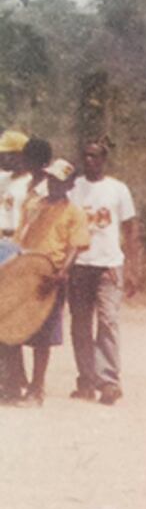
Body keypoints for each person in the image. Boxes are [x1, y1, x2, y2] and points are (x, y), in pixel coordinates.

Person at [0, 158, 89, 406]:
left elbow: (76, 245)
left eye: (59, 180)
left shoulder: (74, 212)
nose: (53, 184)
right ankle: (12, 384)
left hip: (49, 276)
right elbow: (21, 235)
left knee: (43, 337)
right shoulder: (35, 205)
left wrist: (62, 272)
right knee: (9, 327)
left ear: (69, 184)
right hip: (25, 272)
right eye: (50, 178)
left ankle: (36, 389)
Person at [66, 138, 139, 405]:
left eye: (95, 156)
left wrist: (133, 267)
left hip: (108, 265)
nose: (89, 160)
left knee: (108, 320)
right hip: (79, 264)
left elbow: (131, 230)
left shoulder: (117, 189)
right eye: (86, 155)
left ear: (104, 160)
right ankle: (86, 380)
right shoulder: (73, 188)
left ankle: (108, 381)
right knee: (80, 324)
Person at [0, 137, 51, 401]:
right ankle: (12, 377)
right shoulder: (4, 179)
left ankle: (20, 381)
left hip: (18, 246)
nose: (3, 158)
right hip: (2, 242)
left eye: (8, 154)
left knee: (16, 314)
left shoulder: (34, 186)